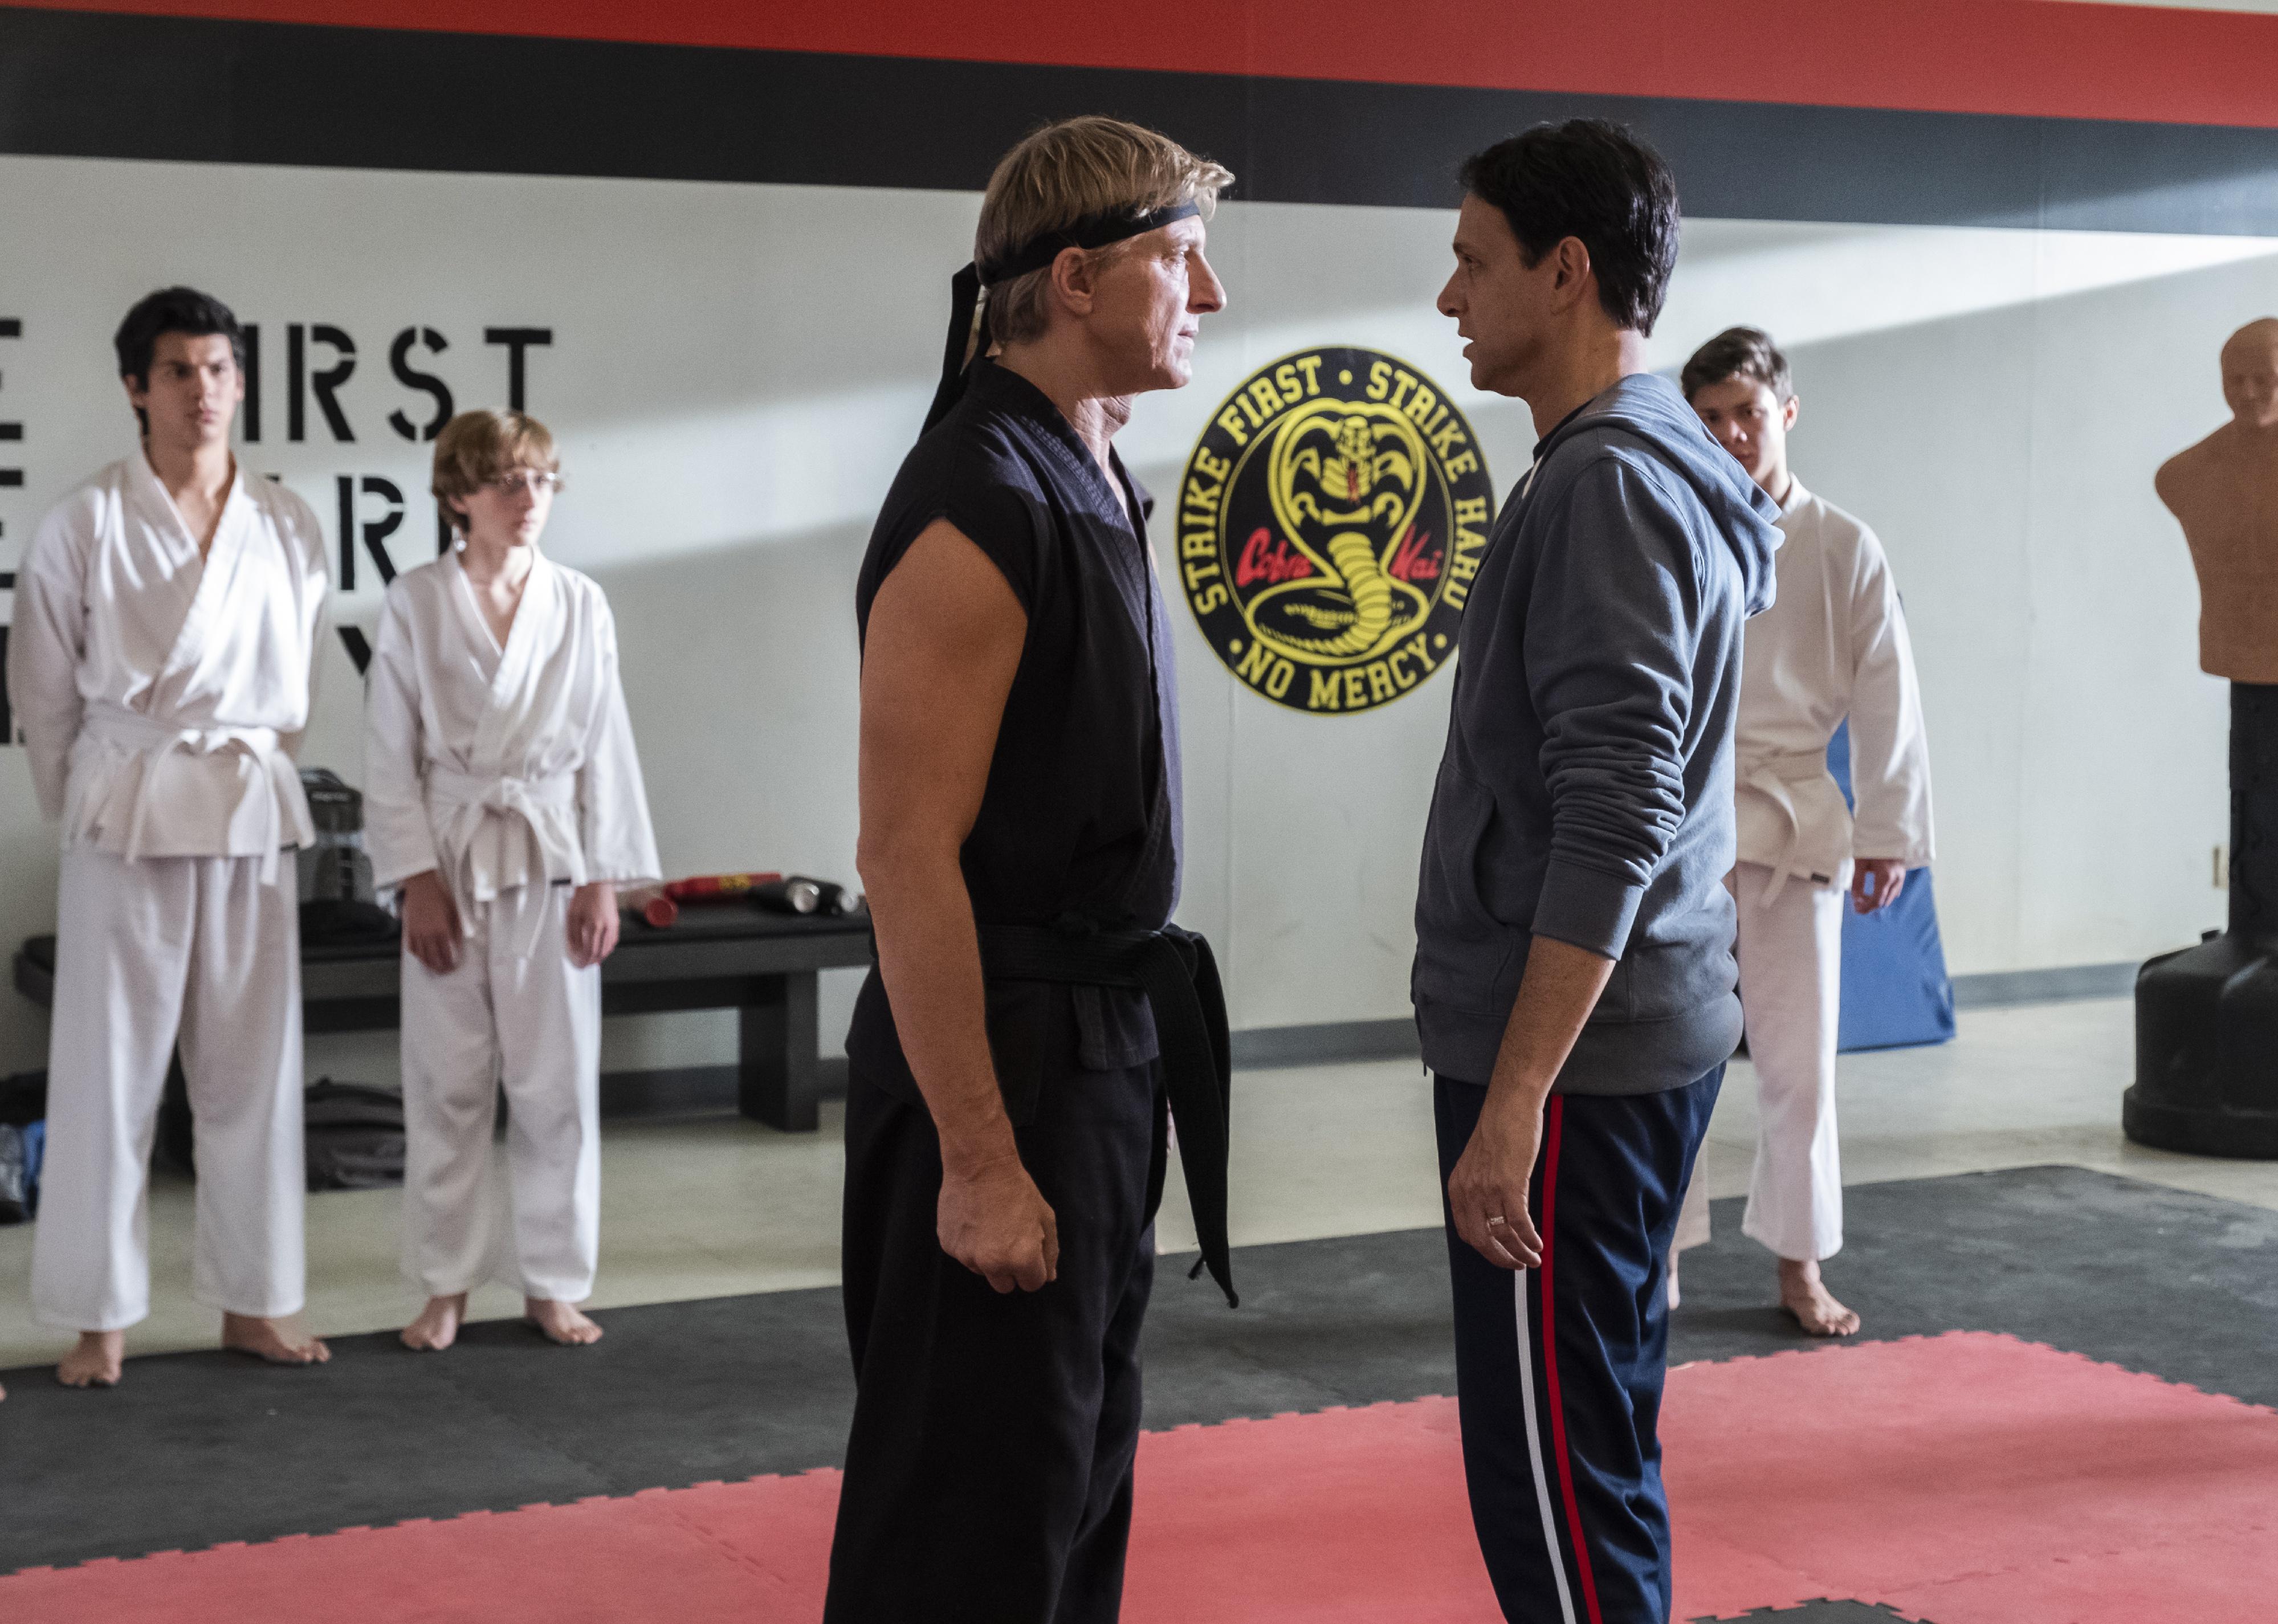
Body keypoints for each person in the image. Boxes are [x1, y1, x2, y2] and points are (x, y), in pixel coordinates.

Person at [825, 116, 1236, 1624]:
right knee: (964, 1524)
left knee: (1064, 1487)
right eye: (1179, 260)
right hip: (996, 1059)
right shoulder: (975, 500)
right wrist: (982, 1161)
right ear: (1074, 279)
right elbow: (902, 856)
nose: (1208, 294)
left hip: (1099, 1051)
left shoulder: (1079, 473)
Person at [1413, 122, 1779, 1622]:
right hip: (1625, 1039)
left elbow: (1615, 810)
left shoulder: (1605, 486)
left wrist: (1511, 1103)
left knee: (1555, 1475)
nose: (1447, 297)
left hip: (1570, 1063)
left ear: (1564, 274)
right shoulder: (1639, 460)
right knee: (1592, 1444)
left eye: (1470, 260)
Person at [7, 286, 332, 1388]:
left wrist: (242, 752)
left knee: (253, 1066)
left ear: (242, 381)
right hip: (129, 800)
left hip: (242, 796)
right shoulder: (84, 520)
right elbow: (44, 694)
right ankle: (100, 1319)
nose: (205, 391)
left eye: (221, 370)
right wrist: (93, 795)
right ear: (135, 388)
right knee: (108, 1070)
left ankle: (254, 1301)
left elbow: (296, 689)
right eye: (181, 372)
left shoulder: (287, 520)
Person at [363, 410, 660, 1351]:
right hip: (450, 854)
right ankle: (445, 1284)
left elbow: (605, 747)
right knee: (445, 1083)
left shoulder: (579, 602)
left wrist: (602, 877)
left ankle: (553, 1280)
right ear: (459, 496)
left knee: (556, 1084)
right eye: (506, 482)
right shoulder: (414, 601)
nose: (527, 498)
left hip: (551, 854)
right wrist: (413, 877)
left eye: (539, 480)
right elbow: (387, 754)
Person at [1673, 328, 1934, 1337]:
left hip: (1792, 821)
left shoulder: (1843, 544)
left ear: (1785, 410)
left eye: (1746, 412)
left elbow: (1888, 702)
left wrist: (1888, 833)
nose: (1732, 434)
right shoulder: (1676, 527)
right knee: (1671, 1055)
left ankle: (1799, 1263)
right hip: (1685, 823)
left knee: (1799, 1062)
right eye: (1711, 418)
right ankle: (1660, 1263)